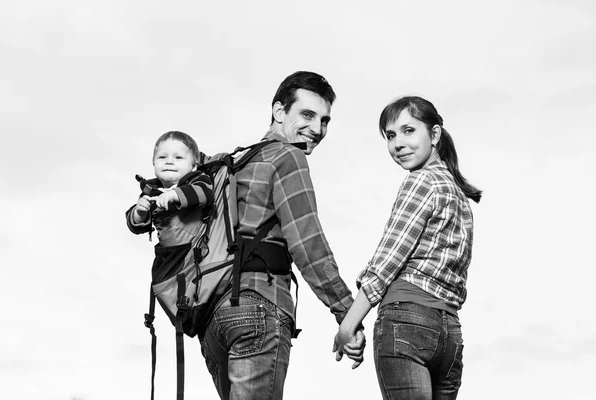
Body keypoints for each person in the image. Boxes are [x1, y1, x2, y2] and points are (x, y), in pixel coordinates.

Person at [198, 71, 365, 400]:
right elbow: (307, 244)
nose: (316, 129)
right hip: (258, 309)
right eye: (306, 115)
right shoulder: (286, 156)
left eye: (324, 120)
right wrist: (348, 313)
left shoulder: (232, 164)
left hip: (214, 322)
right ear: (278, 112)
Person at [334, 96, 482, 399]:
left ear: (435, 134)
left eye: (409, 131)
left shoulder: (421, 182)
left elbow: (387, 261)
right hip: (450, 336)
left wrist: (348, 325)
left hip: (407, 323)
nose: (398, 143)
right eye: (390, 136)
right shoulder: (458, 196)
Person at [125, 130, 213, 248]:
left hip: (197, 250)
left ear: (193, 166)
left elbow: (205, 193)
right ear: (153, 163)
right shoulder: (150, 192)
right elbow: (135, 227)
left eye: (178, 157)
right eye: (162, 157)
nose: (169, 161)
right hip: (167, 255)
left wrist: (174, 195)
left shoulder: (197, 179)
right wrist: (139, 213)